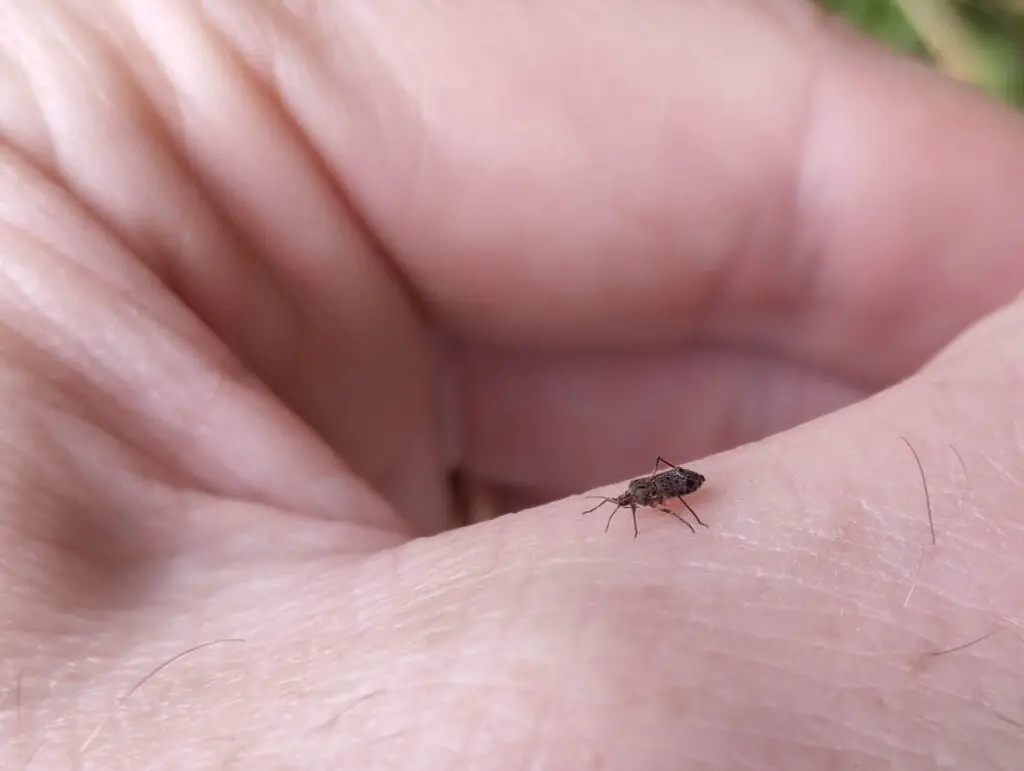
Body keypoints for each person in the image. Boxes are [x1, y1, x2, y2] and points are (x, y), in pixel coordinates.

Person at [3, 2, 1023, 768]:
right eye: (646, 496)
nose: (642, 498)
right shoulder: (651, 495)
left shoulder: (663, 493)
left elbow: (679, 489)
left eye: (647, 494)